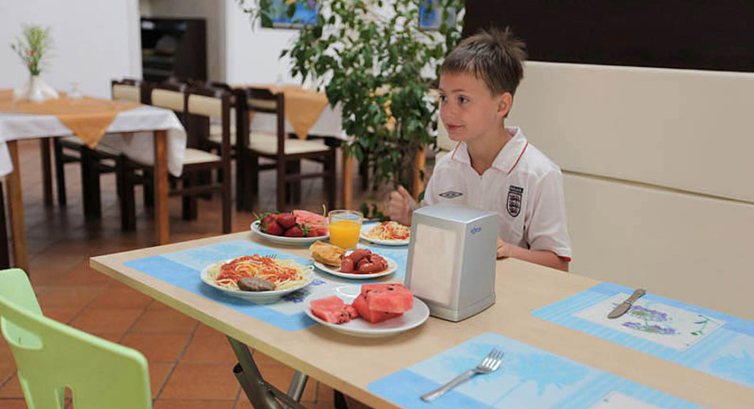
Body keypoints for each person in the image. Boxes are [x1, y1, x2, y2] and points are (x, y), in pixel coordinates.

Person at [389, 28, 572, 272]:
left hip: (513, 289)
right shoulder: (446, 167)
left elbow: (558, 264)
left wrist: (508, 251)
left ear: (502, 105)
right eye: (443, 98)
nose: (448, 111)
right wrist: (412, 217)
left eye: (462, 100)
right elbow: (435, 235)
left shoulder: (539, 174)